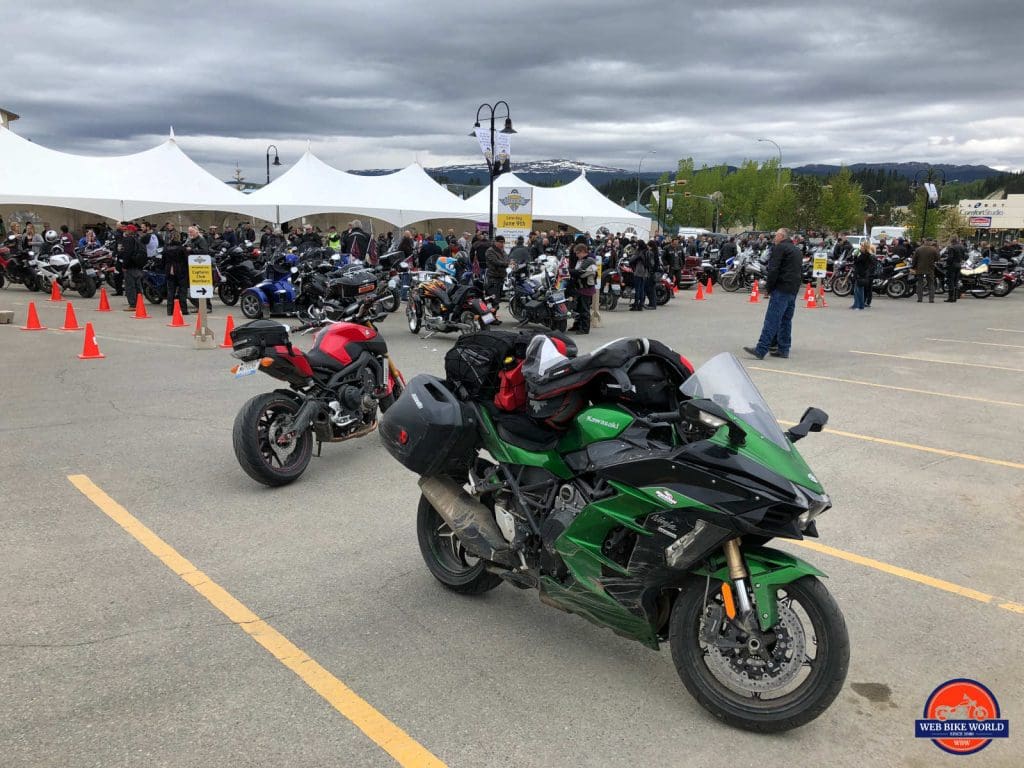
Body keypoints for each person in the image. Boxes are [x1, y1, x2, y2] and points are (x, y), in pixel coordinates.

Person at [744, 228, 802, 359]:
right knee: (786, 321)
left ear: (781, 236)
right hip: (792, 289)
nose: (774, 238)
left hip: (781, 288)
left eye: (776, 235)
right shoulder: (796, 250)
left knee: (772, 320)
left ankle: (761, 348)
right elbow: (798, 271)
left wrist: (768, 288)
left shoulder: (779, 248)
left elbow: (773, 270)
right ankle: (784, 348)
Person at [116, 224, 147, 310]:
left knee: (130, 286)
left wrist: (124, 265)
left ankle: (133, 305)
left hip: (130, 266)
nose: (124, 231)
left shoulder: (128, 239)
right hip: (138, 265)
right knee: (137, 285)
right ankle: (139, 303)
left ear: (129, 231)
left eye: (126, 230)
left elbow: (127, 254)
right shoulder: (138, 239)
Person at [569, 243, 597, 334]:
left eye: (577, 253)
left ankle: (584, 329)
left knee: (584, 309)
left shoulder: (589, 260)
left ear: (582, 252)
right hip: (580, 288)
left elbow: (579, 272)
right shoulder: (581, 260)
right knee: (577, 308)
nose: (576, 255)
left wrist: (568, 271)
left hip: (586, 288)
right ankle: (577, 325)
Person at [163, 242, 190, 316]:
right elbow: (187, 260)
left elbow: (163, 260)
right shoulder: (182, 248)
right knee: (182, 291)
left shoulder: (166, 248)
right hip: (181, 271)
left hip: (170, 270)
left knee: (170, 291)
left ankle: (170, 310)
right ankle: (184, 310)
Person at [484, 235, 508, 312]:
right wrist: (507, 264)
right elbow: (495, 262)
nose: (502, 244)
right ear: (495, 242)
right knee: (494, 300)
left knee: (497, 299)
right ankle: (491, 319)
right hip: (493, 278)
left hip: (501, 277)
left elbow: (507, 259)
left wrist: (511, 262)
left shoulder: (502, 251)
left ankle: (493, 318)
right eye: (500, 242)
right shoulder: (490, 251)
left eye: (503, 242)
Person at [912, 238, 938, 303]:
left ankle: (919, 299)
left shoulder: (919, 249)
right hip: (930, 268)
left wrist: (913, 266)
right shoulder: (934, 249)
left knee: (920, 283)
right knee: (931, 284)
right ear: (931, 242)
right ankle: (931, 299)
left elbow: (914, 259)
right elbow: (937, 258)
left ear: (925, 241)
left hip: (920, 268)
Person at [628, 240, 650, 311]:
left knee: (637, 289)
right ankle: (641, 304)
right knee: (642, 289)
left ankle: (636, 305)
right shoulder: (647, 251)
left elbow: (631, 260)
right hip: (645, 271)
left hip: (639, 270)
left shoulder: (639, 251)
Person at [851, 241, 874, 310]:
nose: (860, 247)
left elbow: (856, 262)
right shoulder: (865, 254)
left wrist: (855, 256)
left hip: (860, 274)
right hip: (862, 274)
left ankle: (858, 305)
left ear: (864, 247)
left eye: (861, 246)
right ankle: (859, 305)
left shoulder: (864, 255)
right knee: (859, 290)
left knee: (858, 291)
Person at [944, 237, 966, 302]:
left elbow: (950, 258)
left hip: (952, 266)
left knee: (951, 281)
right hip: (959, 265)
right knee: (956, 281)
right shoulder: (962, 247)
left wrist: (946, 261)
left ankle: (951, 298)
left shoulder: (951, 247)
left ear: (952, 241)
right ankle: (955, 296)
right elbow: (964, 256)